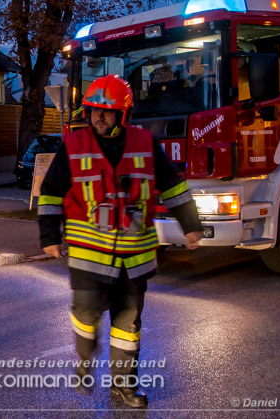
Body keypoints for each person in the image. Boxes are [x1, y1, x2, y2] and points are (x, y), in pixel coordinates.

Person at [37, 75, 203, 408]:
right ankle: (85, 355)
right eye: (95, 110)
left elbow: (172, 185)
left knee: (127, 325)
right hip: (88, 258)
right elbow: (51, 193)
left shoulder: (145, 142)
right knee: (85, 316)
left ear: (122, 115)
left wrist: (191, 224)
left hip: (133, 257)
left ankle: (124, 387)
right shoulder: (73, 145)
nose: (100, 117)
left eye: (108, 112)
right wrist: (50, 236)